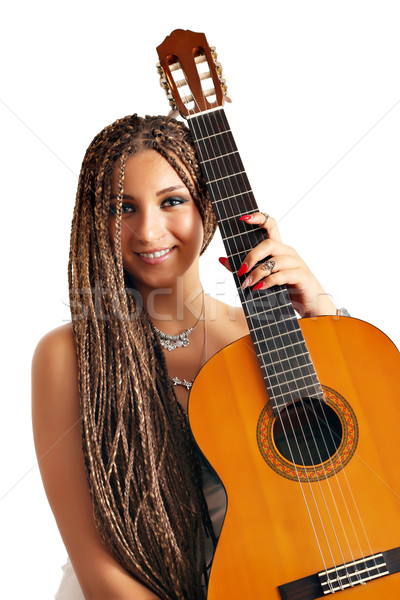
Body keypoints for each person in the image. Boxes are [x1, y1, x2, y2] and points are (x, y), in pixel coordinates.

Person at [31, 114, 337, 600]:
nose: (148, 231)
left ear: (206, 209)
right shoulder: (68, 356)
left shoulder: (269, 343)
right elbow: (96, 568)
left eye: (171, 201)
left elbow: (372, 468)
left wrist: (320, 311)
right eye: (123, 208)